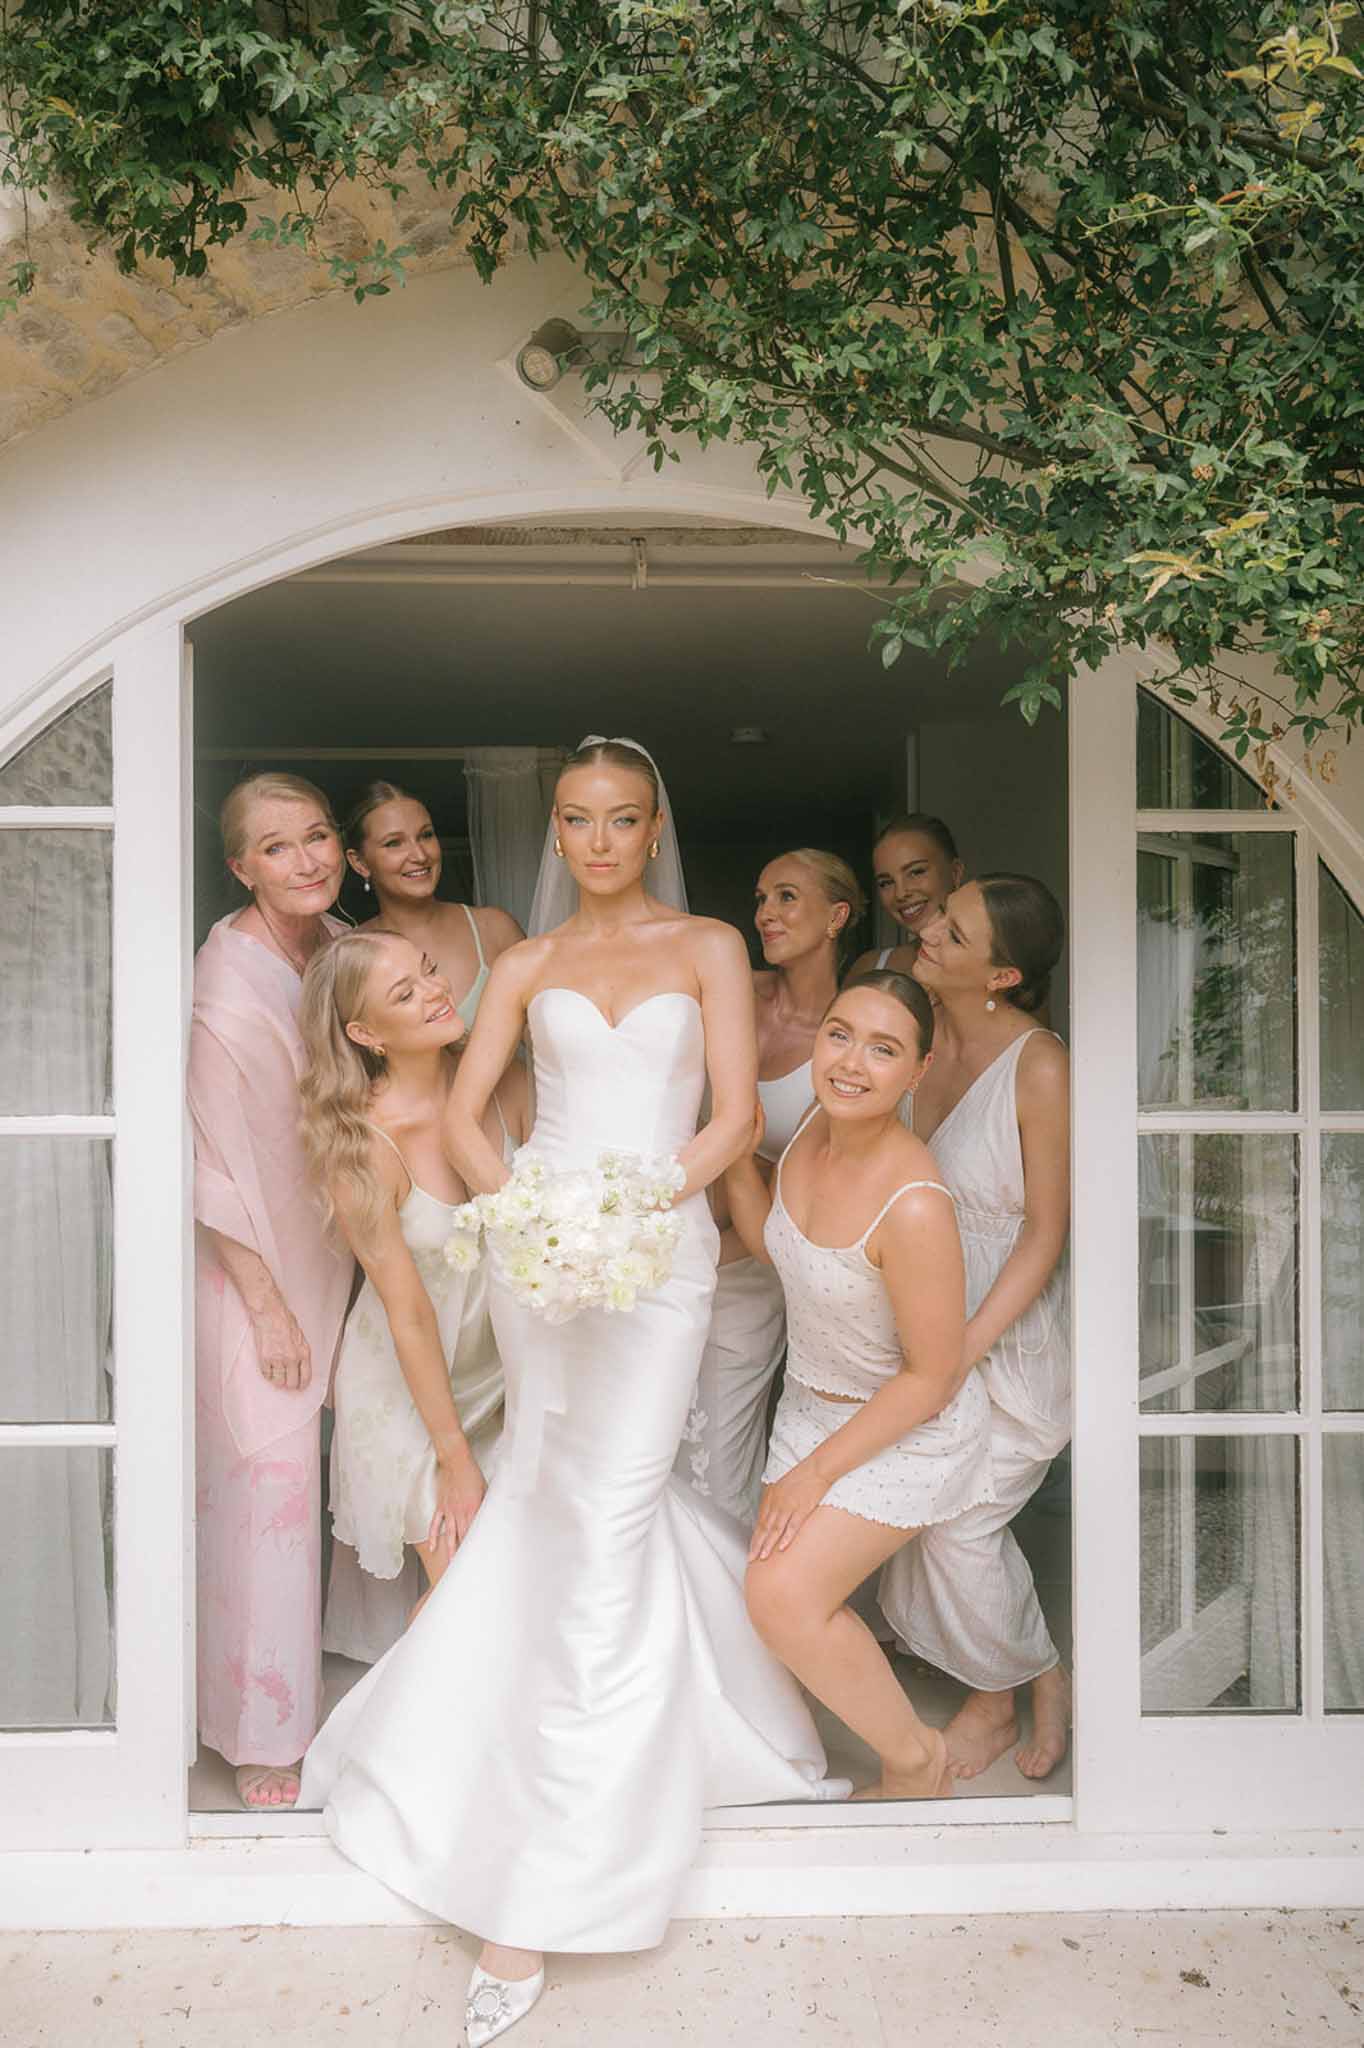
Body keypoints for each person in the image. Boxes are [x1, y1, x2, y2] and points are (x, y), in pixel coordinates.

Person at [301, 737, 845, 2046]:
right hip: (551, 1264)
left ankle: (537, 1888)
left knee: (609, 1514)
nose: (597, 842)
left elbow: (724, 1120)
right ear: (557, 832)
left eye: (620, 820)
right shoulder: (528, 967)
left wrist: (635, 1209)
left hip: (658, 1262)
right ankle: (526, 1785)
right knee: (556, 1504)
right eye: (575, 821)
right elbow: (477, 1116)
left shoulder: (711, 945)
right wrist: (530, 1215)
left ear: (652, 825)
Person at [723, 971, 991, 1799]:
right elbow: (778, 1247)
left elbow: (934, 1375)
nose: (850, 1063)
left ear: (918, 1071)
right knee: (766, 1601)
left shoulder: (913, 1203)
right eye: (839, 1034)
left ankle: (917, 1761)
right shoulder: (811, 1126)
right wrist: (731, 1144)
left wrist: (813, 1474)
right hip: (811, 1409)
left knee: (779, 1594)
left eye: (884, 1050)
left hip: (906, 1429)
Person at [877, 875, 1071, 1782]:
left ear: (1002, 973)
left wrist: (967, 1347)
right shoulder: (917, 1039)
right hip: (918, 1330)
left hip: (1012, 1335)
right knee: (917, 1514)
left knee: (964, 1525)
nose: (928, 932)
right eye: (936, 917)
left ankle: (1016, 1690)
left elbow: (1044, 1232)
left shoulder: (1039, 1064)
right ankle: (1007, 1675)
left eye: (953, 933)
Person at [189, 773, 353, 1810]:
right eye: (278, 846)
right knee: (269, 1481)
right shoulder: (222, 986)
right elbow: (206, 1161)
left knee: (349, 1467)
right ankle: (258, 1727)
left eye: (320, 836)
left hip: (335, 1245)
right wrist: (265, 1302)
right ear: (241, 865)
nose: (308, 859)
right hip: (249, 1265)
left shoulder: (340, 941)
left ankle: (355, 1679)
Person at [298, 929, 531, 1602]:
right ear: (366, 1033)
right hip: (408, 1395)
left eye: (429, 969)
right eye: (406, 992)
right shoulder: (364, 1146)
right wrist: (453, 1457)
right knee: (468, 1590)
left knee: (501, 1590)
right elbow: (408, 1314)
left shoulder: (506, 1084)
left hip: (505, 1379)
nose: (436, 991)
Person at [679, 848, 865, 1523]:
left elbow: (802, 1183)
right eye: (761, 898)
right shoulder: (735, 990)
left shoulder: (844, 1038)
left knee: (715, 1443)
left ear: (837, 915)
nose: (765, 913)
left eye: (787, 897)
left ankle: (727, 1612)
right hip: (666, 1241)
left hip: (752, 1261)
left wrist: (702, 1238)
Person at [344, 781, 523, 1029]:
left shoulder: (495, 929)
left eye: (426, 835)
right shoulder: (349, 956)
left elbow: (545, 1045)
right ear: (360, 863)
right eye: (394, 843)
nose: (419, 855)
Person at [848, 813, 964, 978]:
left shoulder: (1001, 959)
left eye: (916, 872)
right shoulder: (870, 968)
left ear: (955, 873)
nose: (900, 894)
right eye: (886, 883)